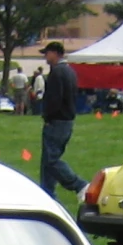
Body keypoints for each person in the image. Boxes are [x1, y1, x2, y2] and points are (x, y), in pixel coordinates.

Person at [37, 40, 90, 200]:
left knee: (51, 161)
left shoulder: (57, 72)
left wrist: (48, 117)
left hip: (57, 121)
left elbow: (54, 99)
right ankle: (47, 195)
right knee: (47, 162)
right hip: (67, 121)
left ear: (55, 53)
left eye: (47, 53)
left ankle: (79, 185)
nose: (45, 56)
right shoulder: (70, 71)